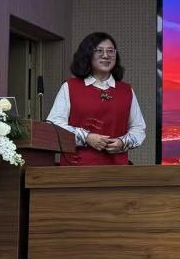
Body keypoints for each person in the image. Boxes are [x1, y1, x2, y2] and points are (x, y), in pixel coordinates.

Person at [47, 32, 145, 165]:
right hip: (76, 168)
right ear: (87, 54)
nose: (106, 55)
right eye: (99, 51)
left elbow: (139, 129)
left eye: (110, 51)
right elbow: (54, 124)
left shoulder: (126, 90)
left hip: (117, 168)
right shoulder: (70, 87)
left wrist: (123, 143)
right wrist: (87, 137)